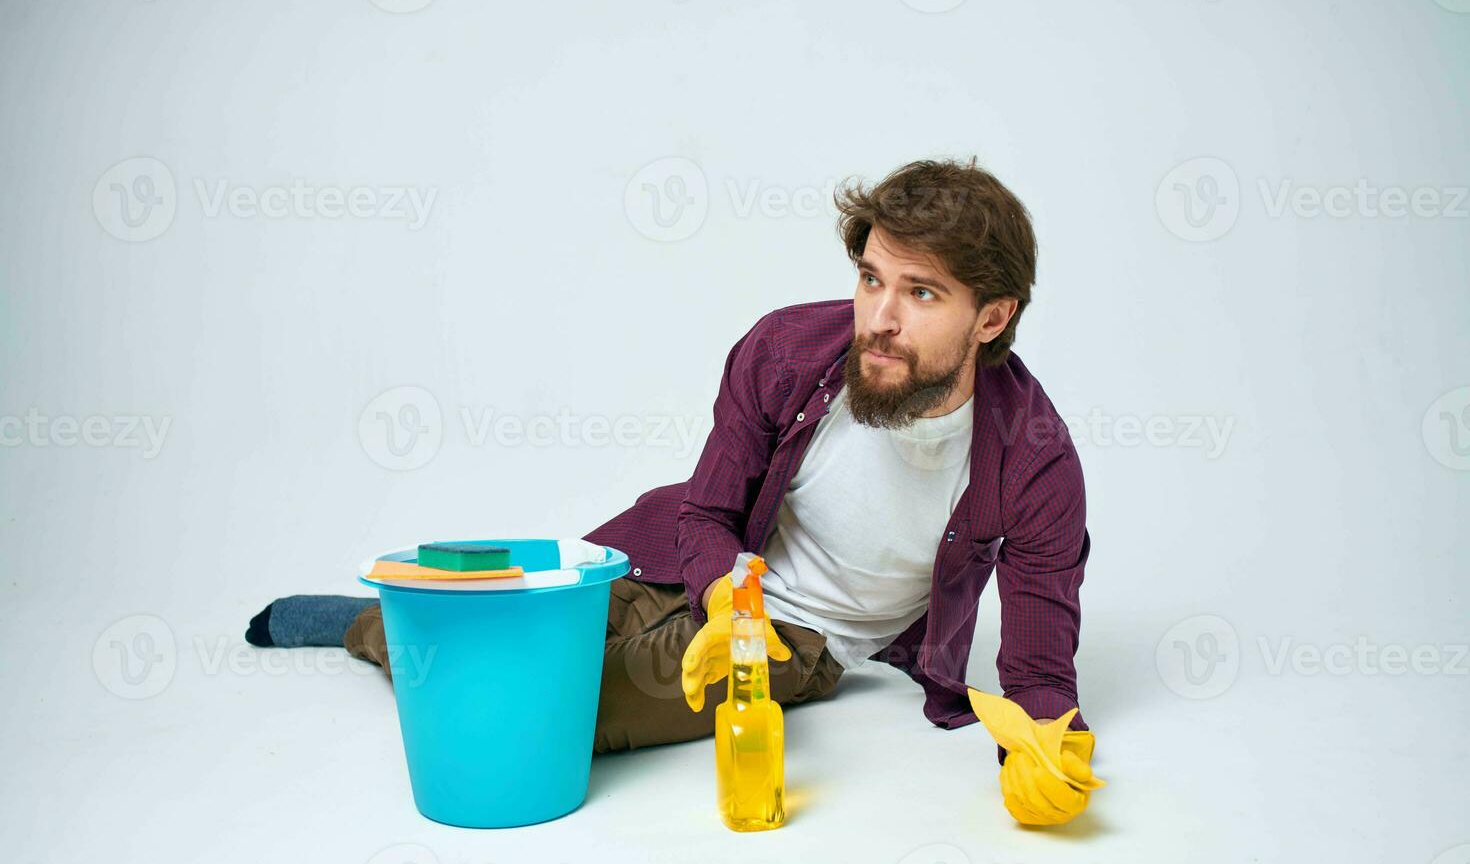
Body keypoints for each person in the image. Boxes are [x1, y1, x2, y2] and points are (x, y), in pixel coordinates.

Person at [247, 158, 1101, 826]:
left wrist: (1041, 750)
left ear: (991, 317)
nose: (879, 316)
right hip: (683, 559)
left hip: (787, 642)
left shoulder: (1033, 463)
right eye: (873, 278)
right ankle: (401, 616)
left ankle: (366, 630)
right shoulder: (784, 351)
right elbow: (707, 510)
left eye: (921, 294)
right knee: (510, 604)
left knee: (534, 712)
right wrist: (723, 593)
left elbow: (1036, 664)